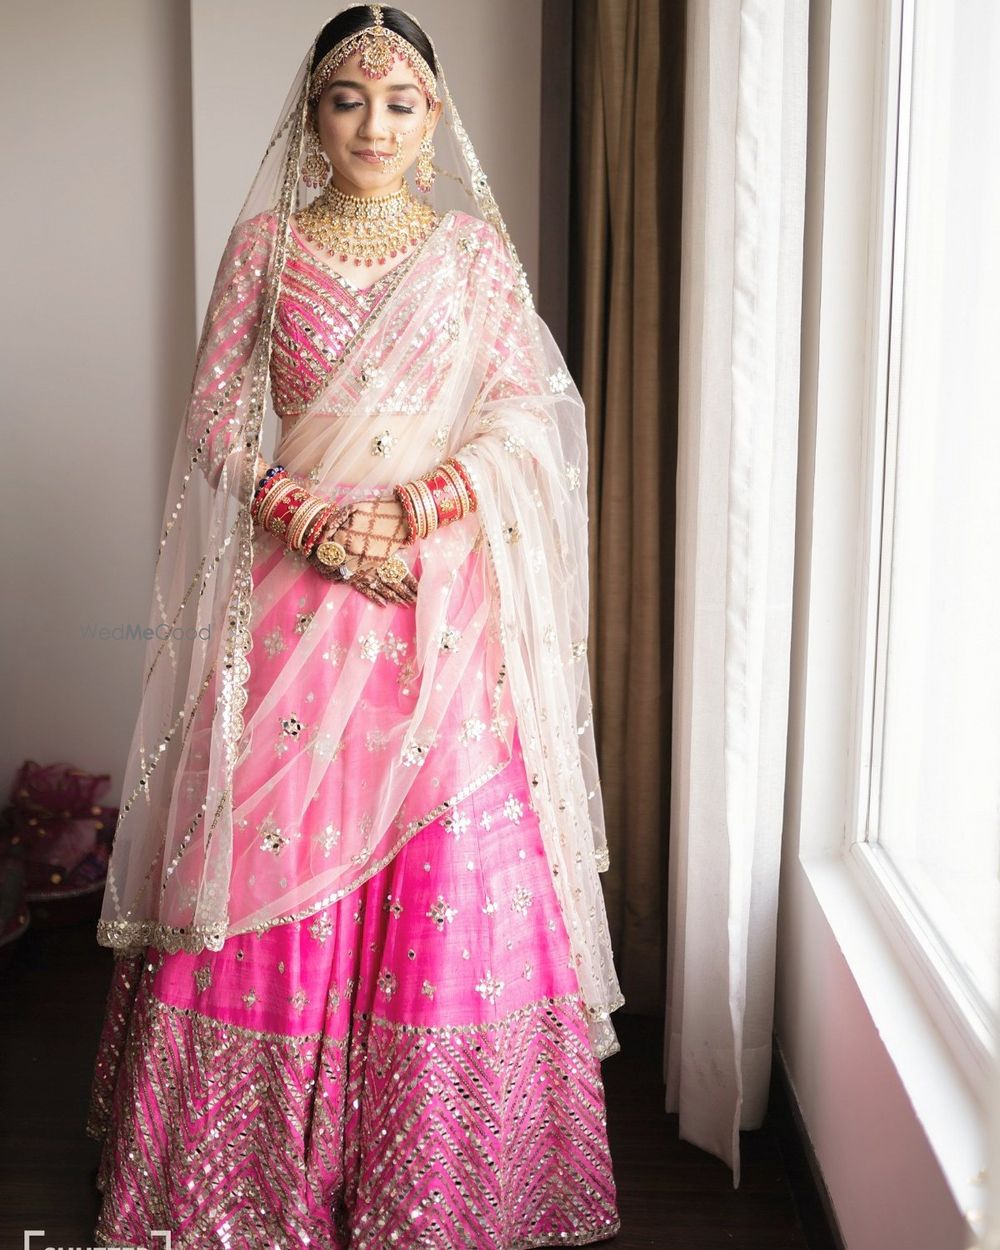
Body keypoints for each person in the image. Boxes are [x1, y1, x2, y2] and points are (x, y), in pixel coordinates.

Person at [85, 6, 624, 1246]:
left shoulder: (473, 258)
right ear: (311, 114)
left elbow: (532, 414)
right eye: (346, 99)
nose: (372, 124)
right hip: (296, 611)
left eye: (398, 101)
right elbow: (215, 425)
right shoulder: (266, 246)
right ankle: (247, 1187)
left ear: (433, 118)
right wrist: (308, 516)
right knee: (270, 861)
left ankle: (436, 1188)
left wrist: (418, 506)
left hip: (439, 615)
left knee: (447, 883)